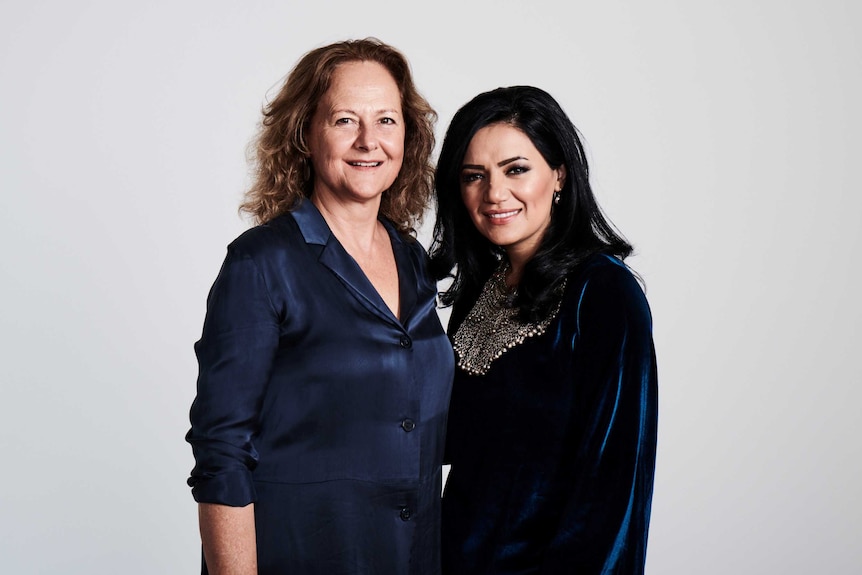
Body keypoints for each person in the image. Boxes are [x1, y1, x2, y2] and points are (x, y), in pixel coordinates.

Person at [185, 38, 454, 575]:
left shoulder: (412, 259)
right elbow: (222, 455)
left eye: (386, 121)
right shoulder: (261, 263)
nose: (367, 141)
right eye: (343, 121)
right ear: (305, 133)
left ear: (409, 136)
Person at [429, 85, 658, 574]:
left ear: (559, 175)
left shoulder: (602, 294)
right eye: (474, 176)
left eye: (516, 169)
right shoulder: (480, 290)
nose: (494, 194)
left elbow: (613, 489)